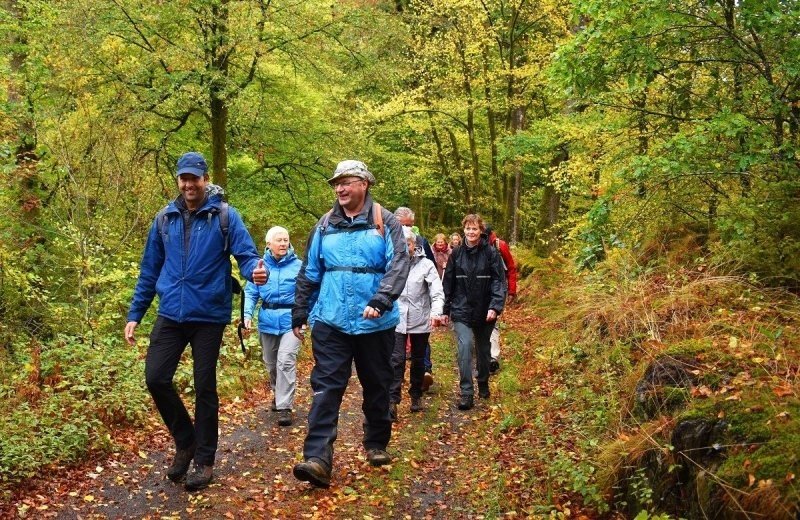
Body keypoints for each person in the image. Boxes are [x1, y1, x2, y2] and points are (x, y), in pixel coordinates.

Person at [125, 151, 267, 491]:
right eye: (184, 178)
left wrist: (255, 272)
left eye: (194, 178)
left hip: (208, 314)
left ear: (205, 179)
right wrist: (135, 314)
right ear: (178, 180)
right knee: (156, 377)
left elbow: (246, 255)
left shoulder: (225, 216)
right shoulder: (164, 218)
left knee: (204, 386)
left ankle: (204, 460)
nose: (189, 184)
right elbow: (149, 270)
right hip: (171, 313)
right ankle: (186, 441)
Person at [291, 159, 410, 489]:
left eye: (346, 182)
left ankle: (376, 443)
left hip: (376, 323)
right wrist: (300, 312)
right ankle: (317, 458)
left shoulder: (385, 221)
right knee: (326, 388)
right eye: (336, 184)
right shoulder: (324, 224)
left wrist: (381, 300)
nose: (340, 188)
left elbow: (398, 264)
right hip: (331, 320)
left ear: (364, 184)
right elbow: (310, 271)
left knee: (377, 384)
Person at [441, 214, 505, 411]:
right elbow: (448, 283)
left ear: (481, 231)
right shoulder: (456, 254)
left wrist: (495, 306)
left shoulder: (491, 253)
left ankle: (483, 382)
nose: (471, 232)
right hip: (461, 309)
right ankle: (466, 392)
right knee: (465, 347)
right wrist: (445, 309)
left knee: (483, 351)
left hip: (485, 310)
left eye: (474, 228)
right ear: (463, 230)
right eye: (468, 228)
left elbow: (498, 281)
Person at [243, 226, 302, 427]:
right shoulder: (260, 266)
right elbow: (251, 292)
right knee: (271, 363)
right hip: (267, 320)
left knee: (285, 360)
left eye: (286, 240)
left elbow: (308, 293)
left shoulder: (298, 266)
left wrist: (306, 317)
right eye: (279, 240)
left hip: (292, 321)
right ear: (269, 244)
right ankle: (278, 394)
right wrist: (247, 315)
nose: (284, 243)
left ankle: (285, 406)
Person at [390, 227, 445, 420]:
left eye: (408, 243)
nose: (405, 247)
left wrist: (436, 312)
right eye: (401, 244)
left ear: (414, 244)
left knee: (418, 359)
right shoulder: (391, 262)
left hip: (420, 318)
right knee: (396, 359)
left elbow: (437, 292)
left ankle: (416, 395)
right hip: (396, 319)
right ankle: (392, 401)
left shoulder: (426, 264)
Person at [394, 207, 435, 390]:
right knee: (396, 351)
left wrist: (434, 307)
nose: (407, 229)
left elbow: (430, 267)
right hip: (396, 307)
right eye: (403, 225)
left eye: (410, 225)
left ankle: (424, 371)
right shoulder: (386, 241)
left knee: (420, 344)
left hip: (419, 305)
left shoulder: (421, 241)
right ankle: (393, 385)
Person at [485, 225, 518, 374]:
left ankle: (493, 357)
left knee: (493, 321)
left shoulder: (500, 245)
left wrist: (511, 290)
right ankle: (483, 352)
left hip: (498, 288)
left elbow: (511, 267)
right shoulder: (473, 244)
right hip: (479, 288)